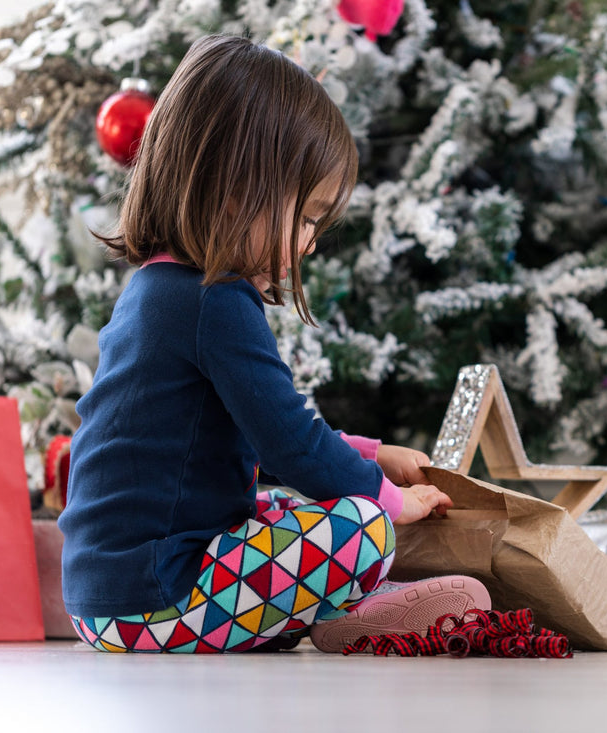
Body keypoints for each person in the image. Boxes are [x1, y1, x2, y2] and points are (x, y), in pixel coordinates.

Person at [58, 34, 489, 654]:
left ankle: (336, 610)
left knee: (279, 508)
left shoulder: (156, 286)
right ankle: (349, 611)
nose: (310, 242)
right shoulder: (215, 299)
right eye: (307, 217)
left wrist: (372, 453)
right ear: (235, 189)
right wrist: (390, 498)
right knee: (364, 528)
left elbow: (262, 438)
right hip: (152, 599)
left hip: (108, 597)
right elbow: (291, 446)